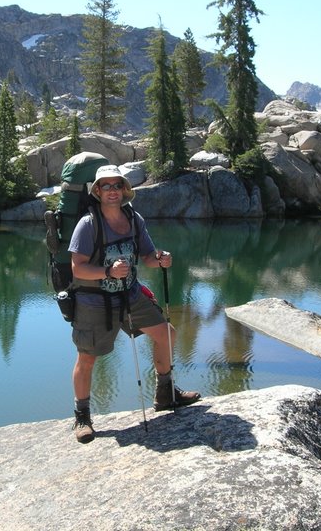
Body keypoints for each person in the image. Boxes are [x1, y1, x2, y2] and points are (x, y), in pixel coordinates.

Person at [68, 164, 201, 443]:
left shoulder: (133, 218)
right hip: (95, 302)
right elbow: (78, 268)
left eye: (117, 185)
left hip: (130, 295)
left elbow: (148, 256)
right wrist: (108, 271)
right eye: (106, 186)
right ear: (97, 191)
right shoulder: (88, 224)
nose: (112, 190)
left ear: (124, 189)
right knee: (87, 358)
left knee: (166, 334)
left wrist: (160, 259)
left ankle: (165, 394)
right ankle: (82, 417)